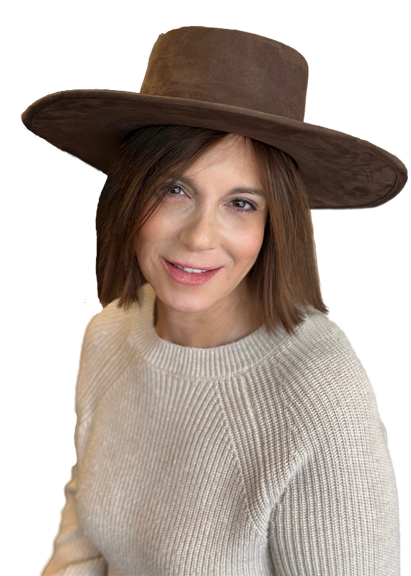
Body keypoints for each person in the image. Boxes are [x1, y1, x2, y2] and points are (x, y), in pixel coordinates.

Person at [22, 27, 405, 576]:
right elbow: (85, 545)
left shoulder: (320, 402)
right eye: (174, 189)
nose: (200, 237)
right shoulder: (112, 330)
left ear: (275, 225)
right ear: (131, 192)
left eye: (241, 203)